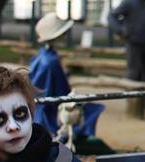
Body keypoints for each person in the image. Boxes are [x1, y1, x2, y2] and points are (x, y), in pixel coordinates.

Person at [29, 12, 104, 141]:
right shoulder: (50, 61)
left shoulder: (42, 56)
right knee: (92, 109)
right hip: (50, 109)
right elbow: (58, 90)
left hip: (41, 105)